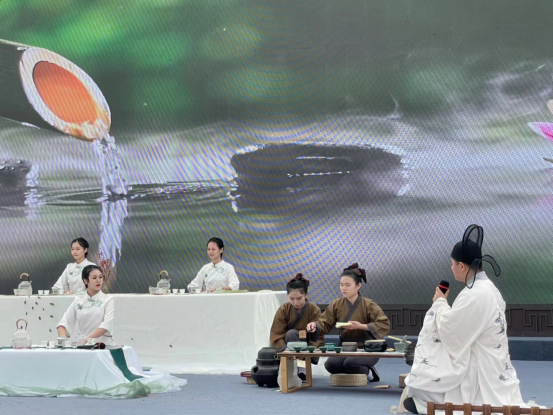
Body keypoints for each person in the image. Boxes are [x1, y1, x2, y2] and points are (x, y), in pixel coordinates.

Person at [400, 225, 524, 414]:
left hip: (479, 367)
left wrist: (440, 303)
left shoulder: (474, 294)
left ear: (462, 266)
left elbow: (450, 330)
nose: (451, 268)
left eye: (452, 263)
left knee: (421, 390)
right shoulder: (489, 289)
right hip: (495, 365)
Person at [306, 263, 390, 382]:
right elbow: (324, 322)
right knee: (330, 365)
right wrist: (315, 325)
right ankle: (354, 372)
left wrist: (361, 326)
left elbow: (384, 324)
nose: (343, 288)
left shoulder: (368, 304)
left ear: (358, 286)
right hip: (345, 346)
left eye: (347, 285)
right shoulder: (336, 304)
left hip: (367, 347)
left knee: (351, 364)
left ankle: (370, 372)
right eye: (341, 285)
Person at [57, 264, 114, 344]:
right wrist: (64, 340)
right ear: (85, 281)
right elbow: (62, 324)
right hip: (83, 346)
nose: (98, 280)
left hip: (102, 345)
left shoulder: (108, 299)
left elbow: (106, 325)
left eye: (100, 277)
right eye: (94, 278)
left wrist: (86, 340)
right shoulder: (78, 300)